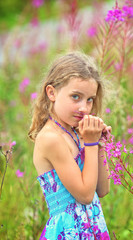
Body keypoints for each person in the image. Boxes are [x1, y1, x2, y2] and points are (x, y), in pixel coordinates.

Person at [28, 51, 111, 239]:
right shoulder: (50, 138)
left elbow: (102, 190)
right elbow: (85, 196)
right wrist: (90, 143)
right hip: (69, 231)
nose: (84, 107)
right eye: (76, 97)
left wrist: (98, 144)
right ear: (52, 93)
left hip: (93, 228)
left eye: (90, 99)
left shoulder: (76, 131)